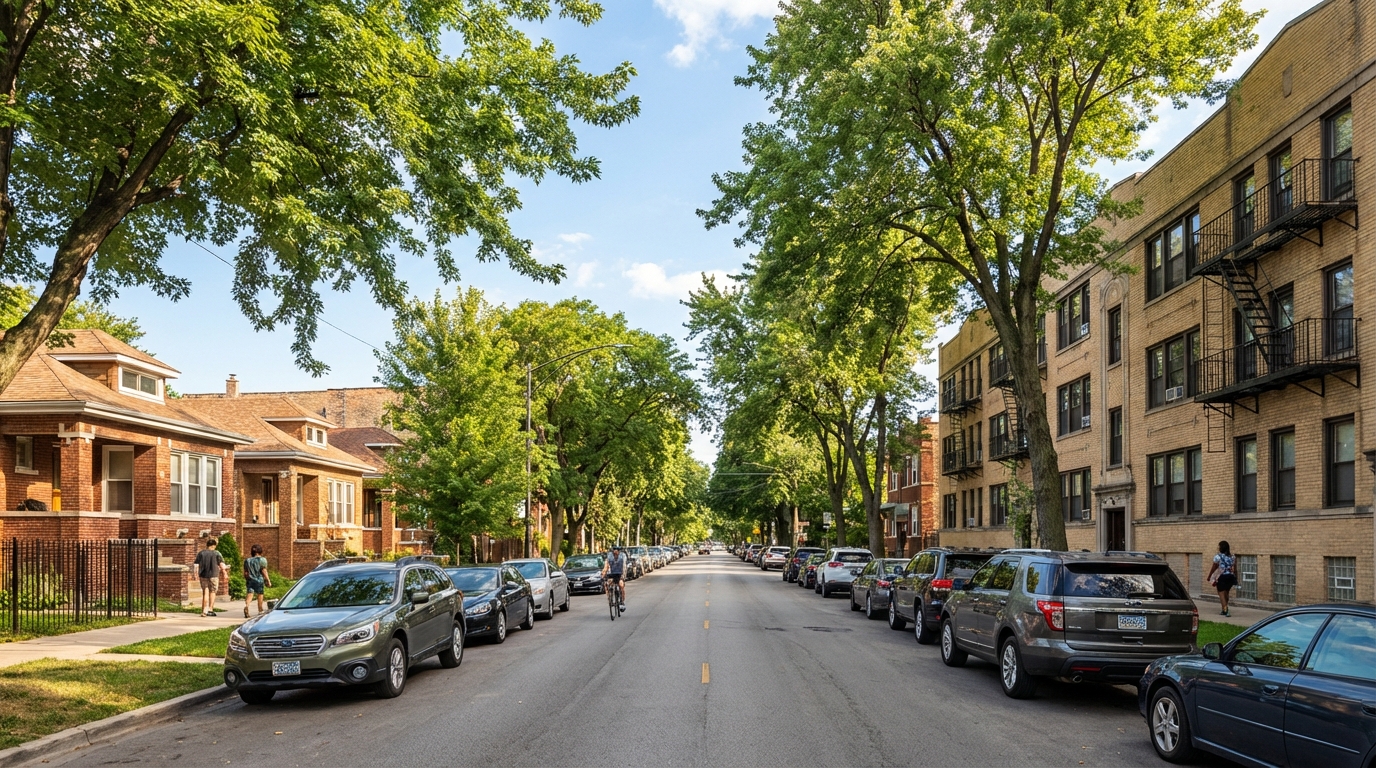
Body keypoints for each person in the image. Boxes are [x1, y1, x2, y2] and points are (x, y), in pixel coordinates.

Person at [195, 538, 228, 616]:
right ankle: (210, 609)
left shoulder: (201, 553)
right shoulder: (217, 553)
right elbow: (222, 564)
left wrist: (195, 574)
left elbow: (196, 565)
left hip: (203, 575)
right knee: (212, 591)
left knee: (205, 592)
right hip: (214, 575)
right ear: (214, 545)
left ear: (207, 545)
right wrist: (225, 572)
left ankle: (204, 610)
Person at [1207, 540, 1237, 617]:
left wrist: (1210, 576)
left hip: (1222, 576)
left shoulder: (1218, 557)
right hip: (1230, 576)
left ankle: (1226, 610)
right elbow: (1235, 568)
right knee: (1226, 593)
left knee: (1221, 594)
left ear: (1221, 548)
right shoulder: (1233, 557)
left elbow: (1214, 567)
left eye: (1219, 546)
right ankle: (1224, 609)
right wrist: (1236, 577)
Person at [243, 544, 273, 618]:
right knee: (260, 594)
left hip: (250, 579)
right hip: (259, 579)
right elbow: (264, 570)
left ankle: (247, 606)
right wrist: (268, 580)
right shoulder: (262, 560)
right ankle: (260, 609)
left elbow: (245, 572)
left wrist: (247, 579)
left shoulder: (247, 560)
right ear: (260, 551)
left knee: (250, 593)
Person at [602, 545, 627, 611]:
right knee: (606, 584)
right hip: (612, 573)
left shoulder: (622, 556)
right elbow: (606, 566)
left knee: (621, 585)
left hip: (620, 573)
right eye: (614, 550)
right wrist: (603, 574)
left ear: (619, 551)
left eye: (617, 550)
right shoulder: (609, 556)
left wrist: (623, 576)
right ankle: (610, 598)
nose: (615, 551)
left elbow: (624, 567)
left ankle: (622, 601)